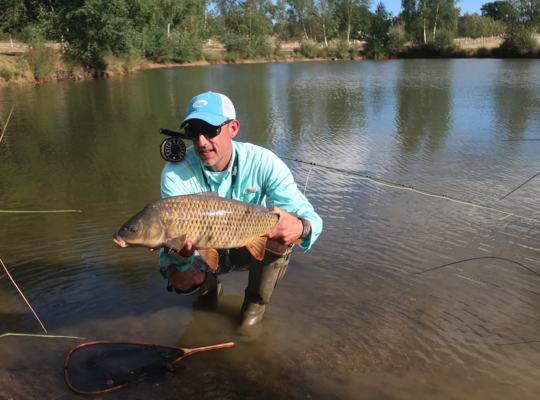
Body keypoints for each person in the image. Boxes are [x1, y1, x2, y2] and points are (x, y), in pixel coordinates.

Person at [158, 91, 322, 329]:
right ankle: (209, 292)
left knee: (283, 228)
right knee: (177, 273)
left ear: (233, 128)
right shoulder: (175, 173)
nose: (202, 141)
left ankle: (253, 308)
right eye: (193, 132)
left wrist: (302, 227)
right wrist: (180, 252)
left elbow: (311, 218)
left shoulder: (264, 161)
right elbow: (176, 249)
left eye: (211, 130)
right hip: (203, 247)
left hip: (250, 243)